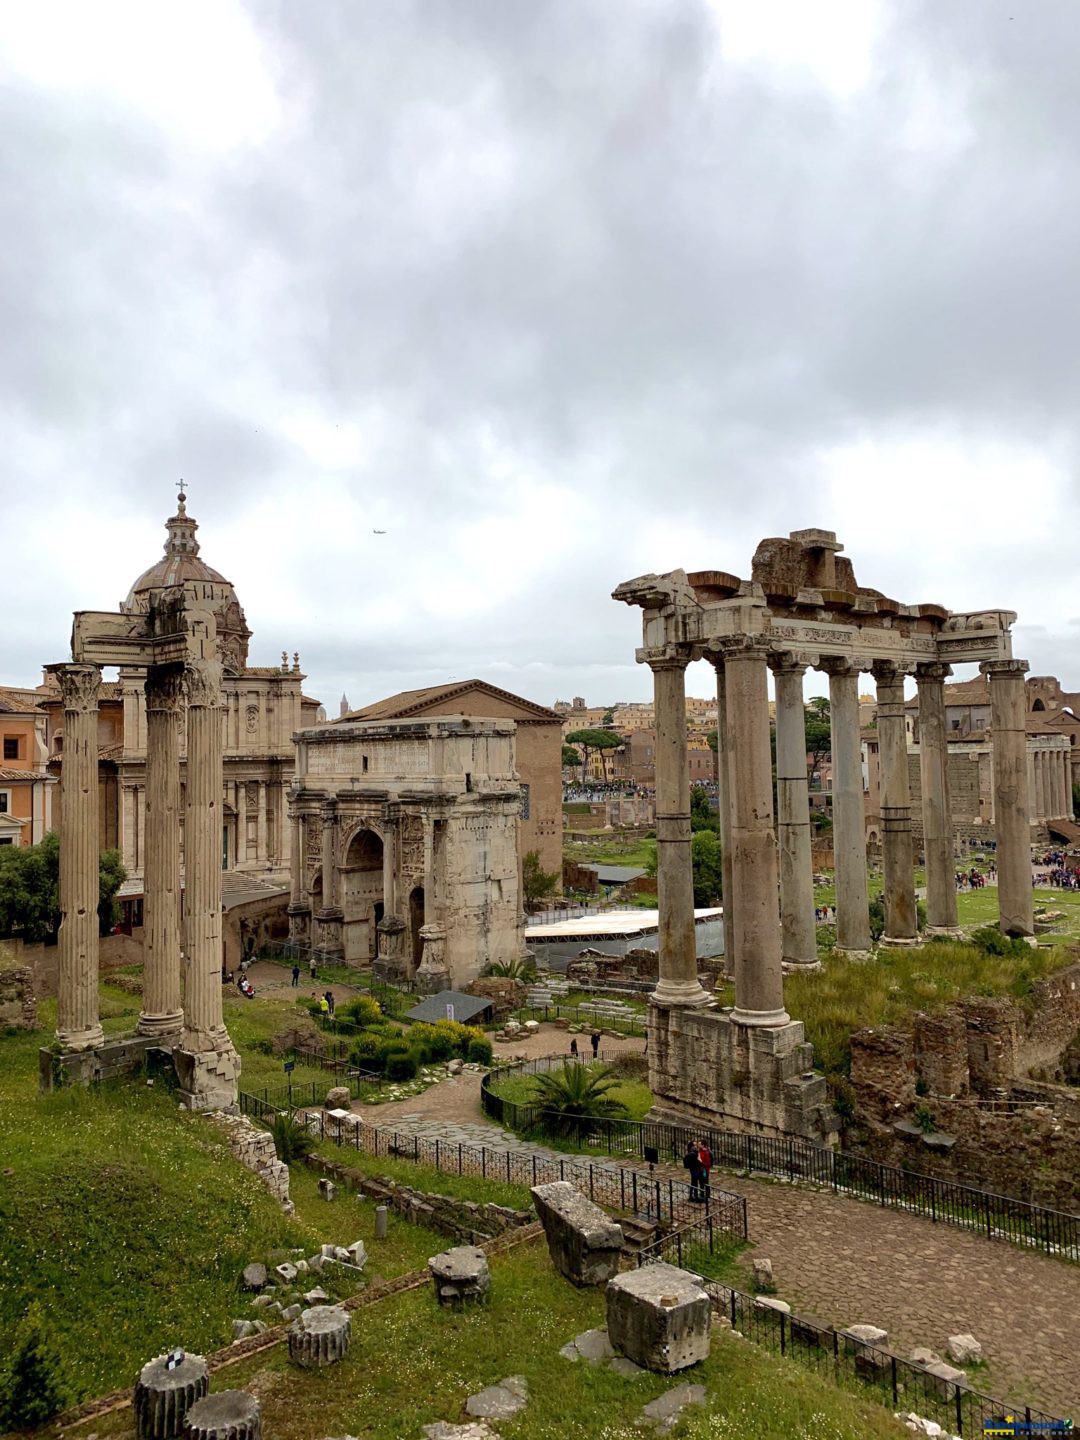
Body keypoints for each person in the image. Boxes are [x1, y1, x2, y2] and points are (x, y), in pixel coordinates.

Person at [697, 1139, 712, 1204]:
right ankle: (702, 1194)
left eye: (699, 1144)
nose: (698, 1145)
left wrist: (700, 1161)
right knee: (701, 1183)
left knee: (706, 1183)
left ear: (703, 1145)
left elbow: (708, 1164)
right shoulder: (699, 1151)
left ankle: (708, 1196)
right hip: (700, 1169)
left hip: (705, 1170)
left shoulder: (706, 1152)